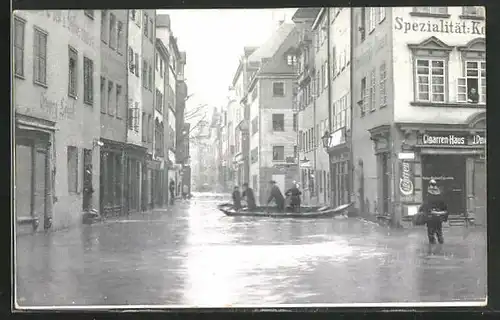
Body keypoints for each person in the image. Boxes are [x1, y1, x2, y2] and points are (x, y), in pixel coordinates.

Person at [418, 179, 448, 245]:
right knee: (439, 232)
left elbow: (425, 204)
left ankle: (432, 249)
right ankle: (441, 246)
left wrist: (420, 210)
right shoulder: (439, 194)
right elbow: (444, 205)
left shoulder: (429, 194)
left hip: (431, 217)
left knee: (431, 233)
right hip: (438, 217)